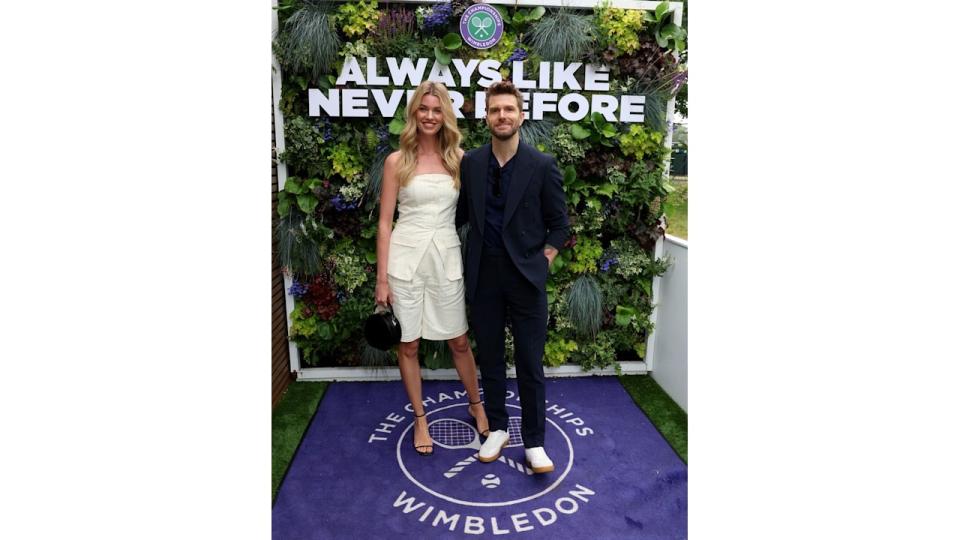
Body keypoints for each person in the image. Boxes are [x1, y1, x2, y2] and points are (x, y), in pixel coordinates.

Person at [455, 80, 570, 473]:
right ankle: (498, 429)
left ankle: (535, 442)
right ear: (485, 117)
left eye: (508, 109)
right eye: (494, 110)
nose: (501, 116)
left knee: (529, 362)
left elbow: (559, 225)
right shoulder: (470, 163)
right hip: (484, 277)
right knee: (490, 358)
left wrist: (545, 260)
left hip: (526, 279)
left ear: (521, 116)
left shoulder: (542, 165)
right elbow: (460, 218)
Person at [376, 81, 489, 457]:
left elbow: (480, 212)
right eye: (423, 109)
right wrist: (381, 281)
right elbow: (384, 224)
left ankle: (477, 405)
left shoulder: (460, 159)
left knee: (458, 339)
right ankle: (420, 418)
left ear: (445, 116)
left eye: (436, 110)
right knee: (407, 343)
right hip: (404, 262)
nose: (429, 116)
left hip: (446, 258)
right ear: (413, 113)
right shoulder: (397, 161)